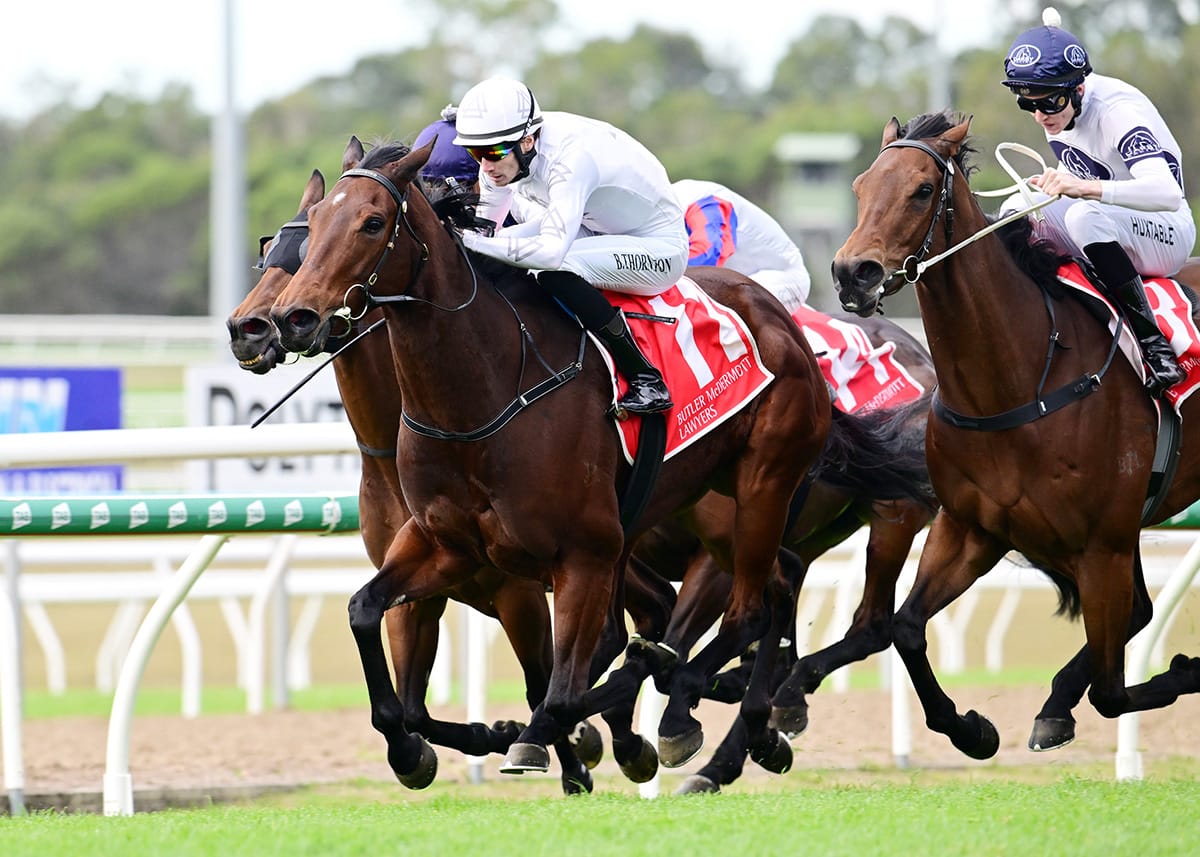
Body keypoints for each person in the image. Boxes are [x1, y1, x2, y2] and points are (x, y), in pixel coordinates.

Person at [451, 76, 688, 415]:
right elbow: (485, 234)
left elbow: (550, 253)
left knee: (552, 270)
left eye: (494, 152)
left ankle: (646, 378)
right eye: (476, 153)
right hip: (595, 228)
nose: (486, 167)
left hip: (658, 247)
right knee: (488, 251)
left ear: (528, 141)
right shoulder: (507, 152)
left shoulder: (570, 159)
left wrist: (475, 242)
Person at [1000, 7, 1194, 396]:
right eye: (1029, 104)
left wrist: (1083, 188)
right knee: (1015, 209)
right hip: (1110, 221)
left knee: (1086, 217)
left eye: (1049, 104)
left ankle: (1153, 345)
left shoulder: (1117, 112)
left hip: (1167, 229)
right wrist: (1054, 185)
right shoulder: (1057, 113)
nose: (1040, 116)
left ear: (1079, 89)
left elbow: (1167, 193)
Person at [672, 178, 812, 313]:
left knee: (724, 308)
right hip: (732, 282)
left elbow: (706, 254)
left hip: (781, 278)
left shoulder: (705, 202)